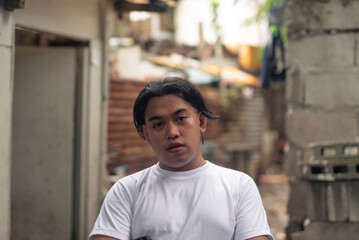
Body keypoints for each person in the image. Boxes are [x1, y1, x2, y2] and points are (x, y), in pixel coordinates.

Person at [89, 76, 273, 240]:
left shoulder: (239, 186)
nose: (172, 132)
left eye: (181, 119)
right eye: (158, 124)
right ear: (146, 134)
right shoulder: (127, 192)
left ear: (201, 122)